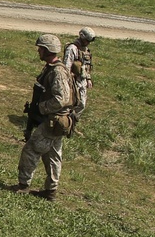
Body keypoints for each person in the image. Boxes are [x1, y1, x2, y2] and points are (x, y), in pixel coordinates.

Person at [15, 35, 76, 200]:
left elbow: (61, 99)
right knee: (53, 155)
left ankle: (23, 185)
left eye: (40, 48)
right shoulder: (53, 68)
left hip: (53, 120)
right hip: (58, 121)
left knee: (31, 150)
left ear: (47, 50)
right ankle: (51, 191)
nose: (38, 51)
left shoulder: (57, 71)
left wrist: (41, 108)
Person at [64, 27, 96, 126]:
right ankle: (65, 123)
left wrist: (88, 78)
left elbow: (87, 66)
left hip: (82, 81)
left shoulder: (86, 51)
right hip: (73, 80)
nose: (88, 43)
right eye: (87, 40)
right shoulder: (72, 49)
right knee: (72, 103)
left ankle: (71, 124)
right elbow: (66, 66)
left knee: (81, 104)